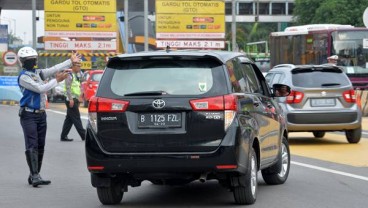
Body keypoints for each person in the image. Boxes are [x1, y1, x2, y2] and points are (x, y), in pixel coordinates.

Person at [18, 46, 81, 187]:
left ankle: (35, 174)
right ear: (22, 61)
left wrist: (69, 61)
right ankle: (35, 175)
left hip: (41, 115)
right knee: (32, 144)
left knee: (41, 145)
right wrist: (56, 81)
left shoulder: (38, 73)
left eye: (33, 59)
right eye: (28, 60)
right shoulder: (23, 77)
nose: (31, 61)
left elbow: (53, 69)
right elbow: (40, 89)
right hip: (28, 115)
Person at [60, 63, 86, 142]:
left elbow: (82, 80)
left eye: (80, 66)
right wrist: (70, 99)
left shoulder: (76, 75)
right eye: (78, 66)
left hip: (75, 98)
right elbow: (68, 87)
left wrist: (80, 72)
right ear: (73, 66)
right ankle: (84, 135)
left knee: (69, 119)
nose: (79, 67)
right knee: (76, 117)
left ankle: (63, 136)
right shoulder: (69, 75)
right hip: (70, 99)